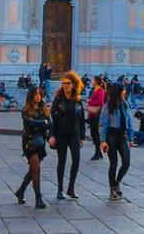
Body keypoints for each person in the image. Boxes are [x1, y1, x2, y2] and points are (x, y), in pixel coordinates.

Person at [49, 72, 86, 200]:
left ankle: (71, 188)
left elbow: (82, 119)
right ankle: (60, 189)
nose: (65, 86)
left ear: (73, 84)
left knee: (76, 159)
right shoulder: (58, 99)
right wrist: (51, 135)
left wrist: (82, 136)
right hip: (61, 134)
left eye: (68, 83)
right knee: (62, 161)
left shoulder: (78, 100)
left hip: (74, 134)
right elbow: (51, 118)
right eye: (63, 83)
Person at [15, 85, 50, 209]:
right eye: (36, 94)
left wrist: (48, 133)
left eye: (40, 94)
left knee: (33, 170)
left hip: (40, 142)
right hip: (29, 143)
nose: (38, 96)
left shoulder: (44, 110)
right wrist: (43, 123)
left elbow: (49, 124)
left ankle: (20, 191)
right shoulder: (25, 110)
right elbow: (30, 122)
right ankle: (38, 198)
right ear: (31, 96)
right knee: (37, 168)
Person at [102, 81, 133, 200]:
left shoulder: (125, 105)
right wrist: (102, 140)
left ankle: (117, 182)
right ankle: (112, 188)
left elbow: (129, 122)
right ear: (117, 92)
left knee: (126, 161)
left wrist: (130, 138)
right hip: (111, 136)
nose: (124, 92)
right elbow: (103, 123)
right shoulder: (108, 105)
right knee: (113, 163)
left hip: (122, 136)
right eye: (123, 90)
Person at [86, 75, 106, 160]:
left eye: (93, 80)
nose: (91, 81)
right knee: (93, 134)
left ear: (96, 81)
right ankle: (98, 152)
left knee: (95, 134)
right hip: (92, 114)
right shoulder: (93, 90)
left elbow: (100, 102)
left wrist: (90, 101)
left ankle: (97, 152)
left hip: (97, 115)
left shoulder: (100, 90)